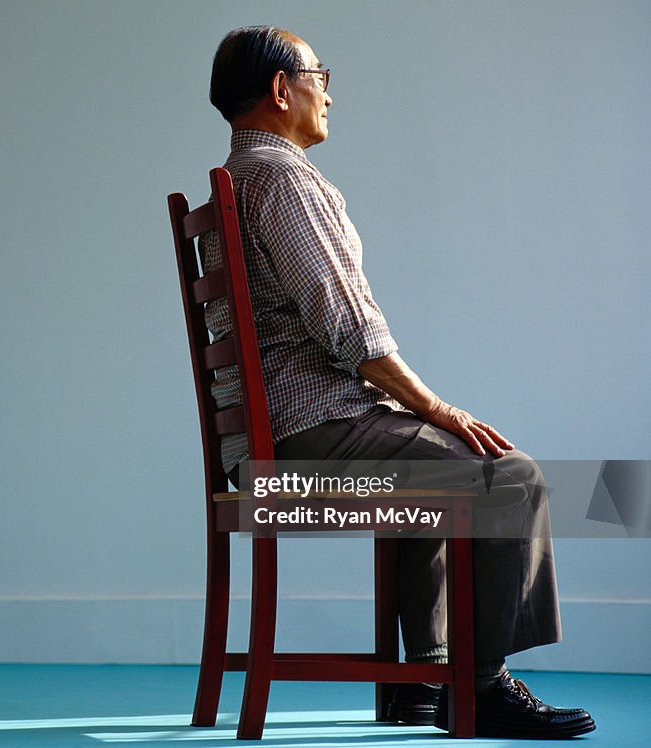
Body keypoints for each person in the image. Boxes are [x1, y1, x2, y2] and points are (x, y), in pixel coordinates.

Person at [200, 26, 595, 739]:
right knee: (509, 478)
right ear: (281, 90)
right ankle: (480, 687)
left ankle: (424, 680)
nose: (331, 91)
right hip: (312, 438)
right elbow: (350, 329)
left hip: (283, 440)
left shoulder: (238, 182)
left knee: (436, 470)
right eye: (321, 73)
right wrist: (438, 407)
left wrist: (426, 420)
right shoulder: (283, 180)